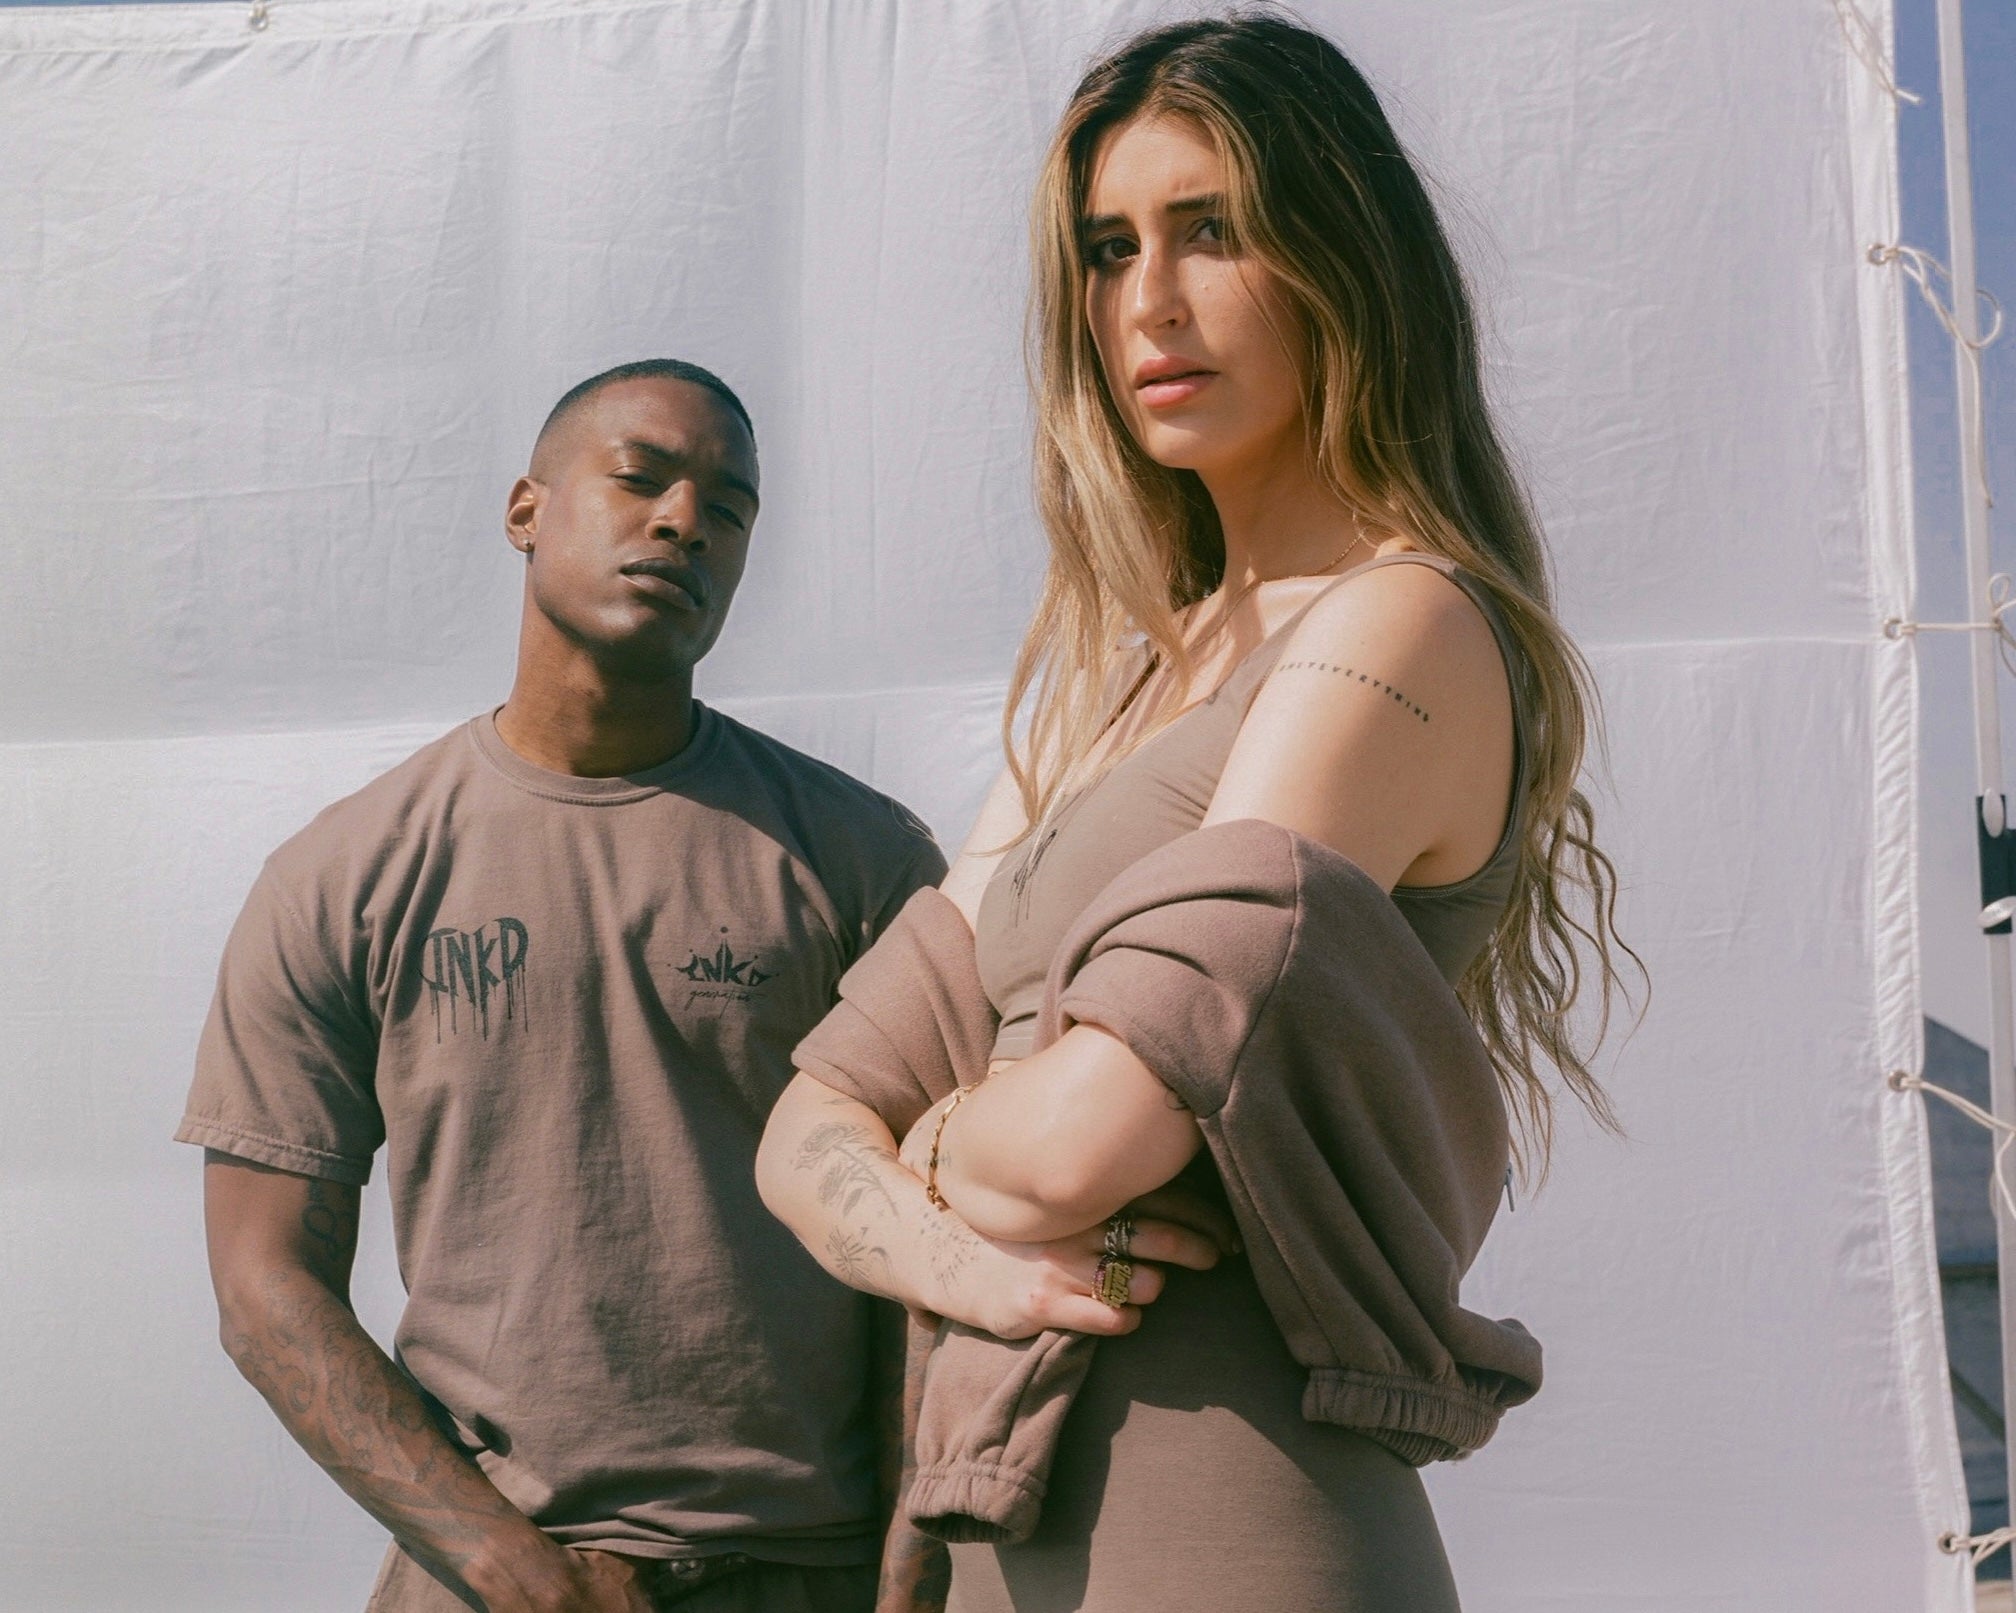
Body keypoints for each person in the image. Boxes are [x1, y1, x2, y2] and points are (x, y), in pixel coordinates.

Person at [757, 14, 1635, 1613]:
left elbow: (1079, 1148)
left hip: (1236, 1535)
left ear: (1344, 261)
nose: (1147, 300)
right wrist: (960, 1248)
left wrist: (933, 1134)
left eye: (1212, 231)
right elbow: (801, 1131)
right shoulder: (1112, 685)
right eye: (1109, 250)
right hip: (1004, 1546)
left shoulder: (1396, 626)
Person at [178, 360, 956, 1613]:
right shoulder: (344, 876)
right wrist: (513, 1569)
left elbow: (937, 1254)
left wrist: (913, 1585)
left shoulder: (859, 860)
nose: (685, 521)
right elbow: (264, 1285)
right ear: (525, 509)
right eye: (642, 477)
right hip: (485, 1576)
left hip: (805, 1571)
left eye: (730, 510)